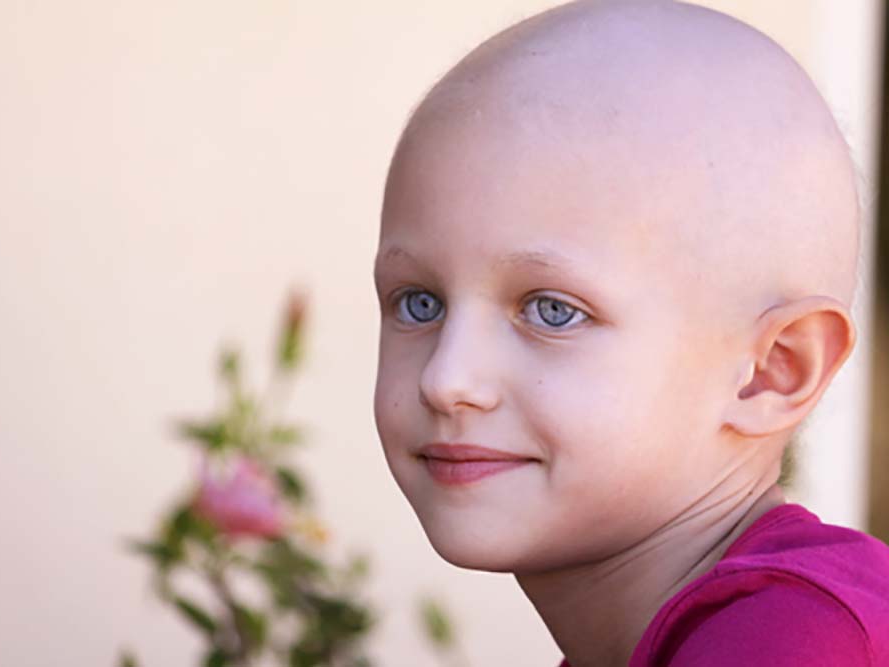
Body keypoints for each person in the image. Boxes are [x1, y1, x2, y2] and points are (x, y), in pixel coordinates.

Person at [370, 0, 889, 665]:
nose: (446, 379)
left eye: (552, 309)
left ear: (771, 369)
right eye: (418, 302)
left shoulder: (795, 637)